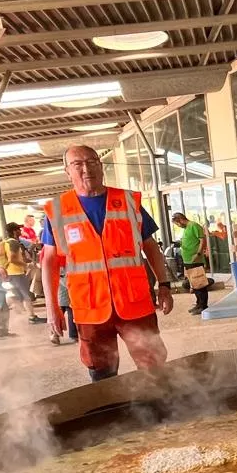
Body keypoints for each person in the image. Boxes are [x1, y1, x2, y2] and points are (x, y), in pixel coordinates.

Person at [41, 144, 174, 381]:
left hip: (134, 302)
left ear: (101, 166)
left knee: (152, 362)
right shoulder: (57, 211)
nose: (86, 168)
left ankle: (162, 411)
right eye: (77, 164)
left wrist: (164, 285)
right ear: (67, 171)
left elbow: (151, 247)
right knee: (101, 369)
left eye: (92, 161)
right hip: (90, 307)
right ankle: (115, 415)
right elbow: (49, 263)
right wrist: (53, 309)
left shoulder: (128, 201)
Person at [1, 221, 45, 324]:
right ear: (14, 231)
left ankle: (2, 309)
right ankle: (32, 317)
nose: (20, 231)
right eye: (18, 229)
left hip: (11, 272)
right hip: (17, 272)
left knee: (19, 296)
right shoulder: (14, 243)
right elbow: (12, 259)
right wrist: (26, 265)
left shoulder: (6, 242)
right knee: (26, 296)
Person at [172, 212, 210, 314]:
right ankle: (198, 303)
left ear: (180, 219)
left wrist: (198, 254)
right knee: (194, 284)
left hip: (195, 260)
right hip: (188, 260)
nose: (178, 226)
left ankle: (203, 305)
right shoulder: (186, 229)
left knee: (199, 282)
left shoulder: (194, 226)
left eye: (177, 224)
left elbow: (202, 240)